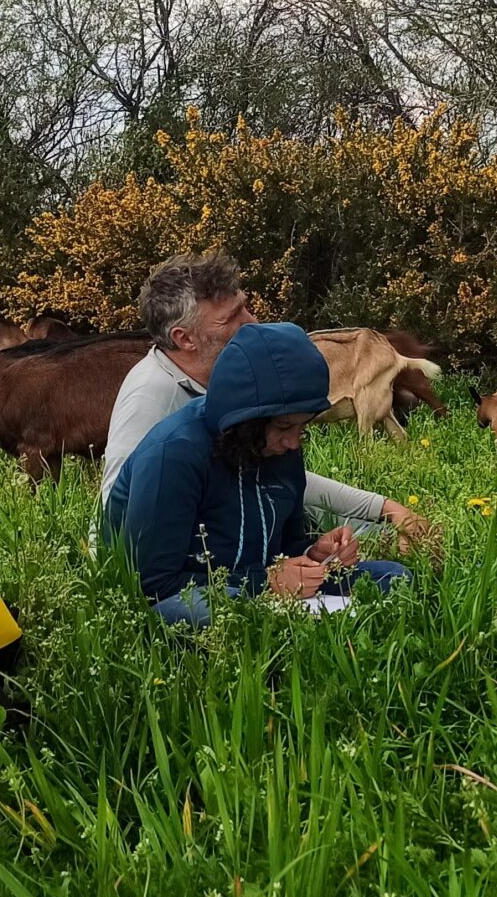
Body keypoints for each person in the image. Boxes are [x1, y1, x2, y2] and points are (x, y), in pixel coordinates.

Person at [98, 253, 432, 546]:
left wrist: (382, 508)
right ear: (184, 338)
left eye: (245, 307)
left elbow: (279, 480)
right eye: (232, 318)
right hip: (195, 564)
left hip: (241, 528)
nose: (253, 323)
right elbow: (118, 513)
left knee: (394, 542)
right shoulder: (150, 395)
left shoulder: (221, 381)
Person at [102, 322, 410, 626]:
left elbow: (285, 545)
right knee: (215, 613)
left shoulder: (282, 449)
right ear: (244, 421)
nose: (293, 443)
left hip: (263, 586)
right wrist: (265, 583)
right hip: (192, 593)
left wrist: (315, 554)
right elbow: (153, 585)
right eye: (284, 427)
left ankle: (300, 628)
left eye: (302, 428)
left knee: (393, 578)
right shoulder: (174, 453)